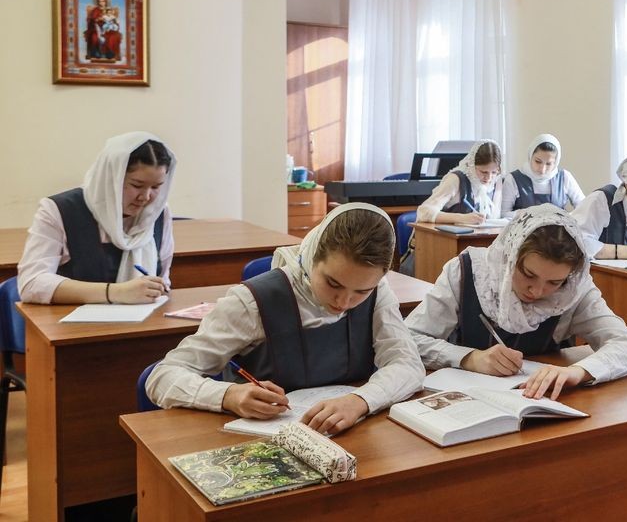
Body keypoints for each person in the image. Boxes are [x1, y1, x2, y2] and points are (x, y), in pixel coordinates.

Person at [146, 203, 425, 435]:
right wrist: (228, 395)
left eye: (361, 291)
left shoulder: (378, 293)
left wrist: (360, 400)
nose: (344, 302)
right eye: (333, 283)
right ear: (313, 256)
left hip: (350, 437)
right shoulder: (252, 301)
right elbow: (162, 377)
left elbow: (407, 364)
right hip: (265, 444)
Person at [405, 204, 627, 400]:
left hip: (538, 404)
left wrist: (579, 372)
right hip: (466, 402)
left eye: (554, 282)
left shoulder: (573, 289)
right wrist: (469, 358)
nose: (537, 291)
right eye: (528, 274)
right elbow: (409, 338)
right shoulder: (468, 272)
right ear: (510, 256)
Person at [18, 132, 175, 304]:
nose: (145, 197)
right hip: (72, 319)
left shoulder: (158, 214)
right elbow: (31, 283)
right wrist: (116, 292)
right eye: (137, 185)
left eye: (156, 187)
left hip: (143, 317)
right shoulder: (60, 210)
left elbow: (163, 280)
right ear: (111, 178)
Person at [416, 139, 503, 225]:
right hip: (443, 233)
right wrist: (462, 218)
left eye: (494, 172)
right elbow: (424, 212)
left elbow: (495, 216)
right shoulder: (455, 180)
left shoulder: (494, 183)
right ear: (471, 165)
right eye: (484, 172)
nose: (489, 178)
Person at [499, 133, 585, 218]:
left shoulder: (564, 177)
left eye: (548, 164)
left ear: (556, 162)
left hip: (558, 227)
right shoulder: (513, 179)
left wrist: (567, 216)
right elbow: (503, 213)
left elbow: (584, 208)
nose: (542, 169)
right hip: (523, 227)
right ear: (530, 156)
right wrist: (523, 213)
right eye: (538, 161)